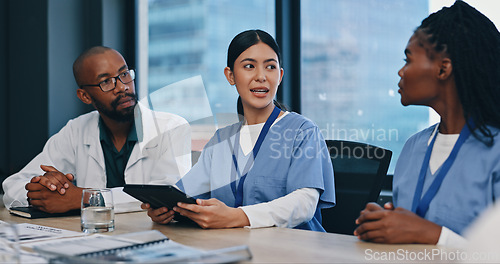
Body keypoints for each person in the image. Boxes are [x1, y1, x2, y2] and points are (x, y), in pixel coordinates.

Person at [142, 29, 335, 231]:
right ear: (231, 76)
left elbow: (304, 203)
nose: (261, 76)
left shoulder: (303, 132)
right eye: (249, 66)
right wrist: (167, 209)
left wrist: (238, 216)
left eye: (270, 67)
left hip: (293, 251)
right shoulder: (221, 140)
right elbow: (185, 194)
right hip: (232, 247)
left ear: (279, 76)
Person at [354, 0, 500, 246]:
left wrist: (431, 235)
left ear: (443, 69)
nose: (401, 72)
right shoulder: (413, 148)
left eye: (408, 60)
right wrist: (385, 223)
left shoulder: (495, 152)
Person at [2, 46, 191, 213]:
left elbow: (172, 193)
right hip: (91, 238)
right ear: (85, 96)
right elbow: (13, 186)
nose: (122, 87)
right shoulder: (76, 130)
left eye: (124, 74)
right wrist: (45, 191)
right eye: (106, 82)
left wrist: (84, 198)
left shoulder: (171, 127)